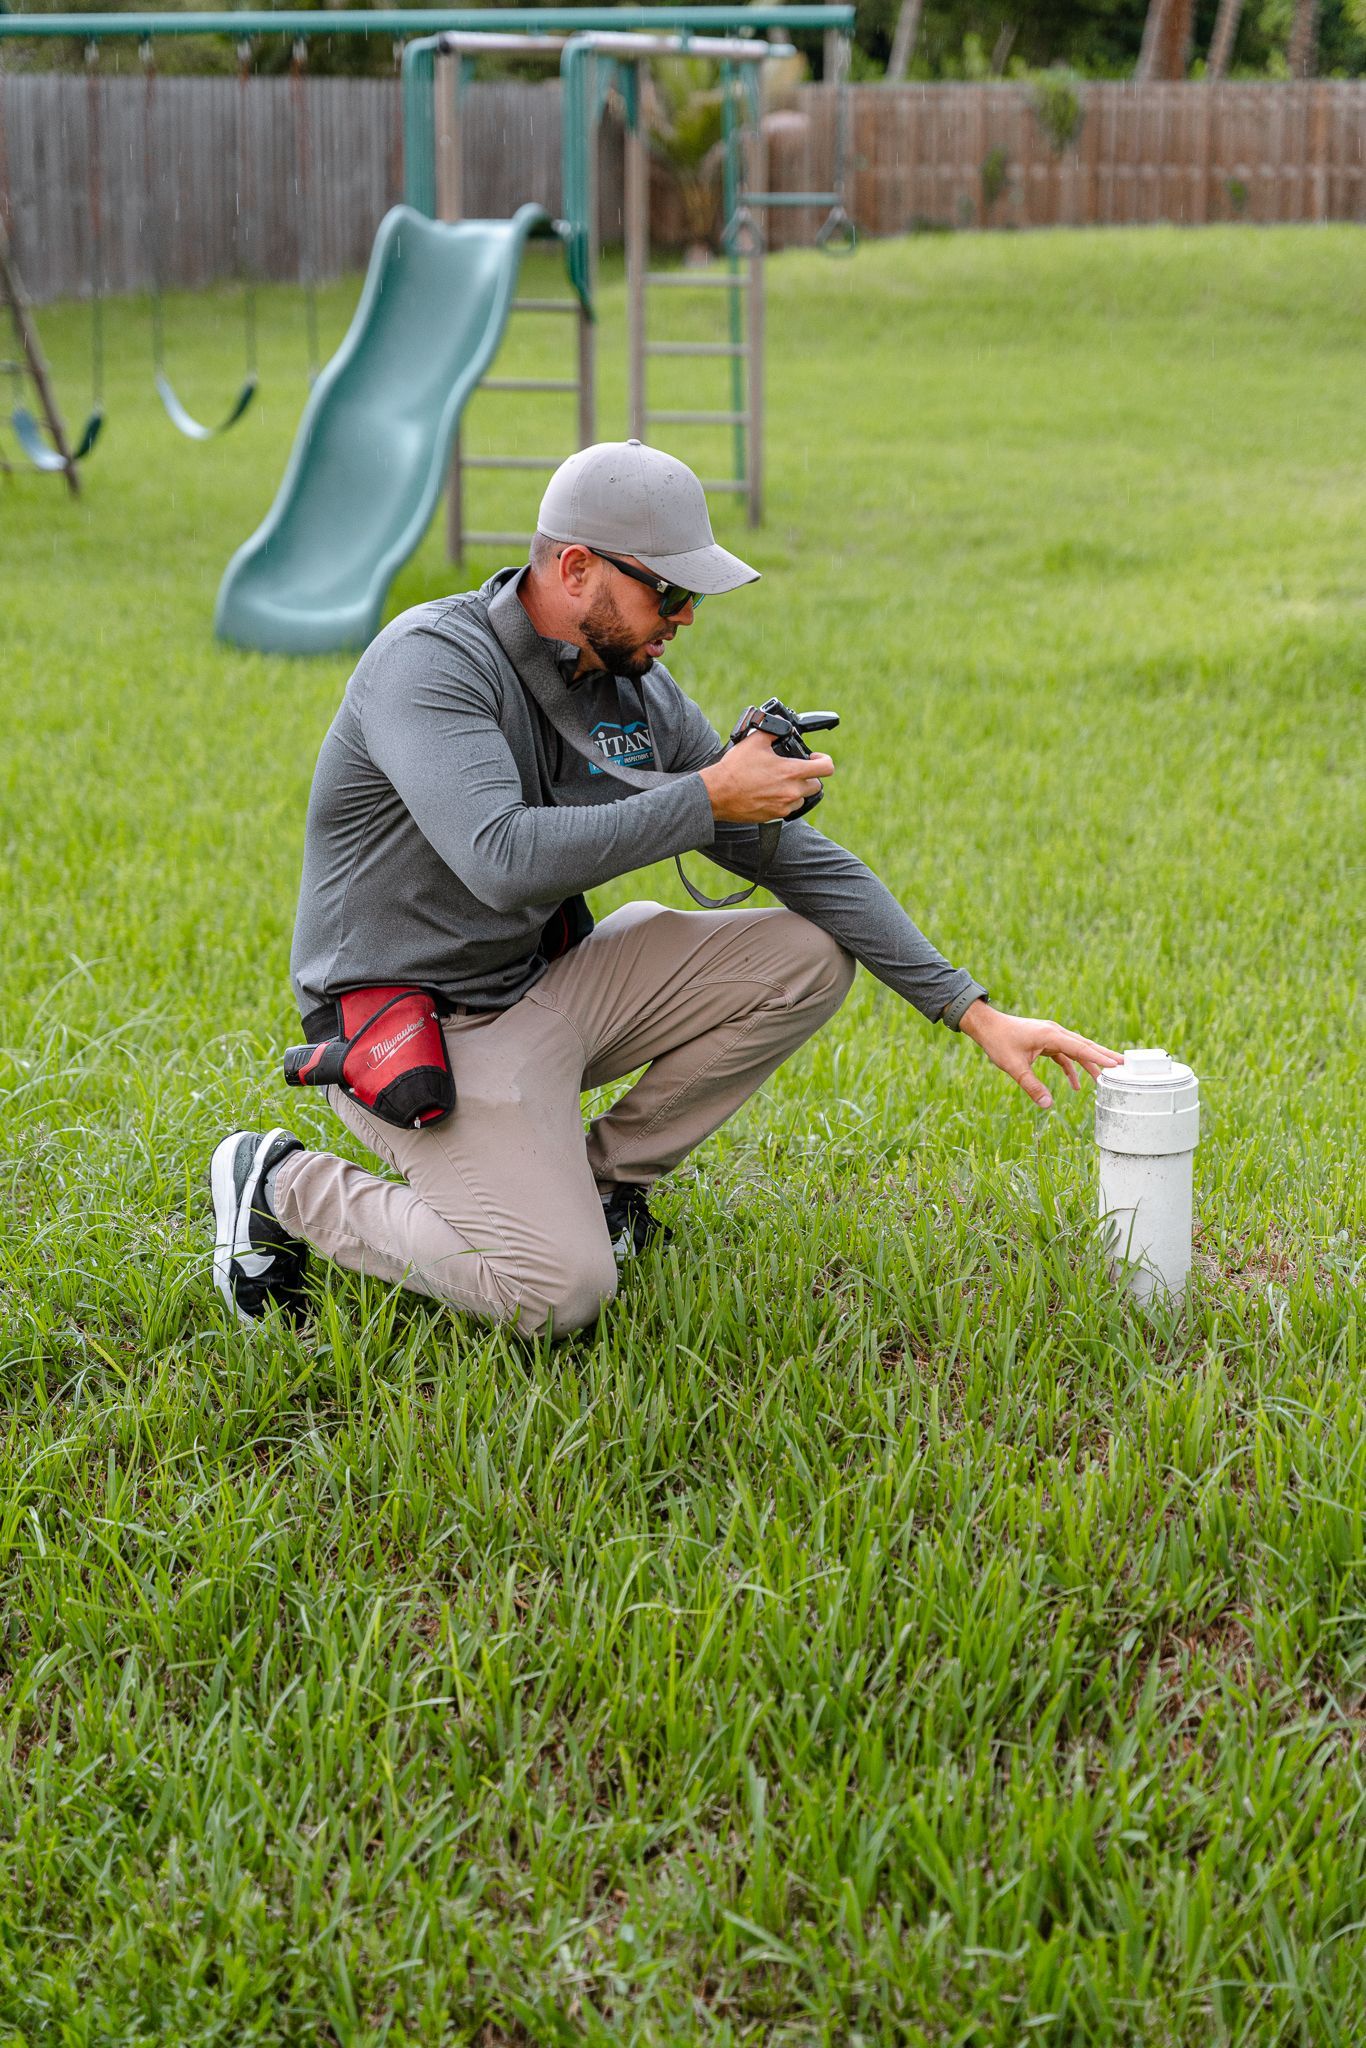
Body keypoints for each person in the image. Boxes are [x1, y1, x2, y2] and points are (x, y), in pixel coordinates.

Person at [210, 440, 1120, 1337]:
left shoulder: (632, 687)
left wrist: (973, 1012)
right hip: (416, 1023)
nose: (685, 617)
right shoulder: (431, 665)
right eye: (670, 592)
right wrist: (709, 794)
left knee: (803, 957)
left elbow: (795, 861)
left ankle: (604, 1186)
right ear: (575, 568)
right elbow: (500, 859)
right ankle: (281, 1183)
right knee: (555, 1294)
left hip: (540, 987)